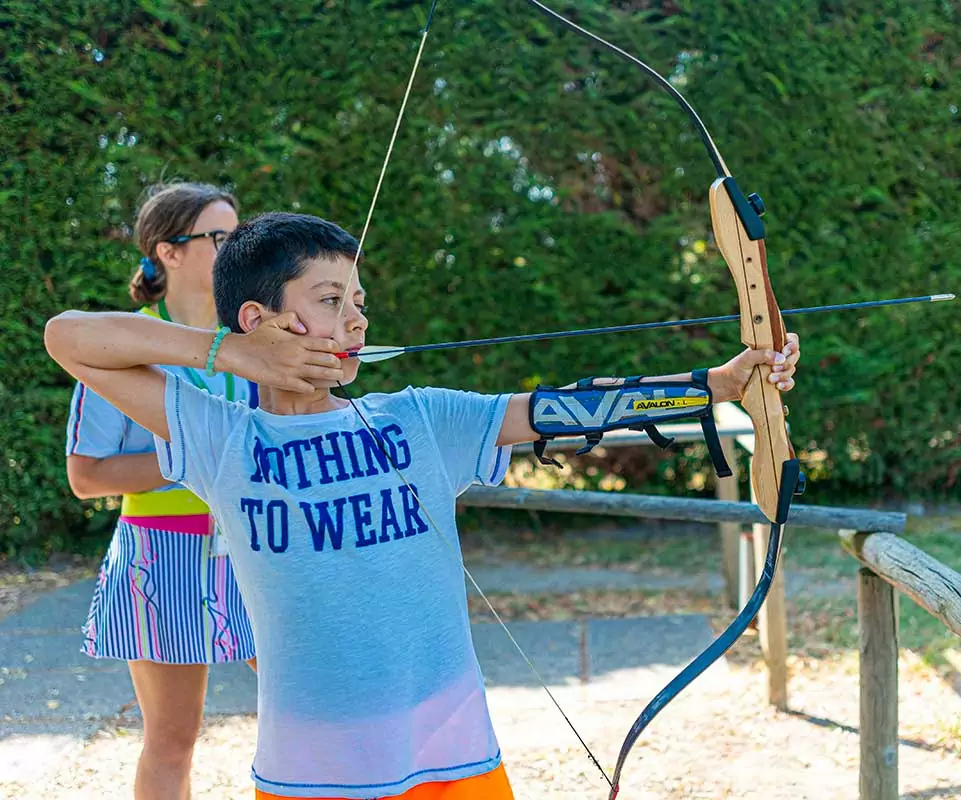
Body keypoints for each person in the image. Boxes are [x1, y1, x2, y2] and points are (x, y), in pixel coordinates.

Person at [44, 211, 800, 800]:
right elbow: (69, 337)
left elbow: (561, 412)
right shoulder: (221, 436)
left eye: (360, 302)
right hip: (309, 764)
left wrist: (715, 384)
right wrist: (231, 357)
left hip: (452, 752)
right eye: (331, 301)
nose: (358, 321)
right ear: (259, 318)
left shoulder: (420, 419)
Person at [63, 182, 258, 800]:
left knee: (316, 710)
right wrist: (192, 456)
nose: (235, 249)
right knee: (172, 740)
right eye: (218, 238)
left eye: (238, 235)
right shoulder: (118, 345)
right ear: (167, 251)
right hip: (160, 558)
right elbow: (86, 475)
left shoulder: (260, 338)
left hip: (262, 549)